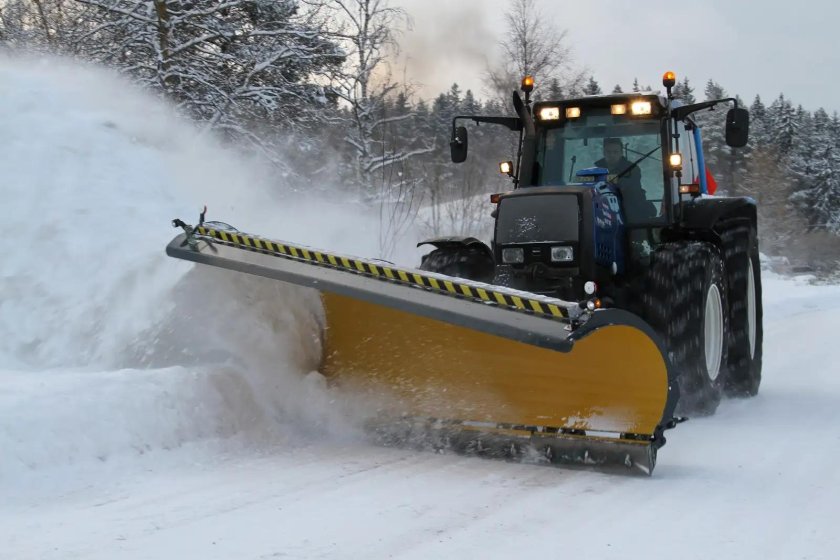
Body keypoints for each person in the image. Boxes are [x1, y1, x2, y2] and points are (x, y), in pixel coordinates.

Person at [595, 138, 656, 220]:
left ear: (621, 153)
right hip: (604, 212)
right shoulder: (596, 170)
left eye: (615, 152)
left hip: (632, 213)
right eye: (608, 152)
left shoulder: (632, 169)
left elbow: (628, 186)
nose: (612, 155)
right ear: (604, 153)